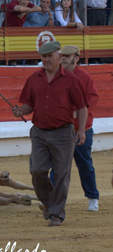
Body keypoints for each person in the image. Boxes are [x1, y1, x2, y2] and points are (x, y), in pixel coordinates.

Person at [12, 41, 87, 227]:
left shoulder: (71, 79)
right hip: (39, 132)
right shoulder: (34, 78)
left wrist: (82, 130)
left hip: (63, 132)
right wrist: (21, 111)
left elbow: (82, 107)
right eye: (43, 57)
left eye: (49, 56)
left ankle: (56, 214)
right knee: (37, 170)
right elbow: (30, 105)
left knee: (62, 173)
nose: (46, 60)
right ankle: (48, 202)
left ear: (59, 57)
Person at [57, 45, 100, 210]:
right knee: (58, 166)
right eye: (63, 56)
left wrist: (78, 111)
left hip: (82, 129)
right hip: (61, 129)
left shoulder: (85, 77)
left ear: (76, 58)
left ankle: (92, 197)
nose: (64, 59)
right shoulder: (56, 76)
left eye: (68, 56)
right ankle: (54, 199)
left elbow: (92, 98)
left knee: (84, 165)